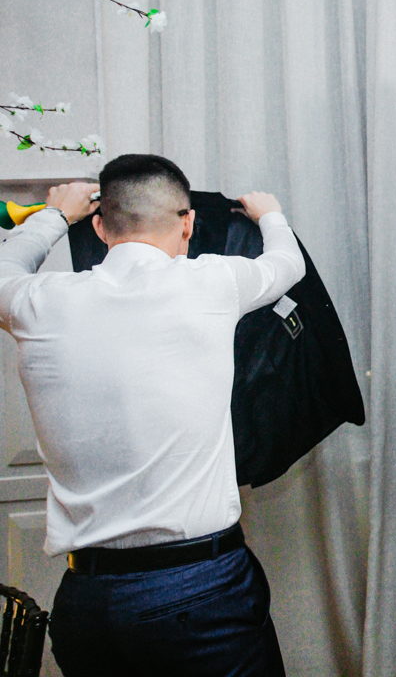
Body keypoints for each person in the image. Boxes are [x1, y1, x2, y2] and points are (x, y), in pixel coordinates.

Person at [0, 155, 305, 676]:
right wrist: (270, 214)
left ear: (99, 228)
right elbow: (287, 265)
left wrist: (54, 215)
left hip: (87, 601)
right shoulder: (212, 281)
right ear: (188, 223)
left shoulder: (37, 301)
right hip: (200, 589)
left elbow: (7, 268)